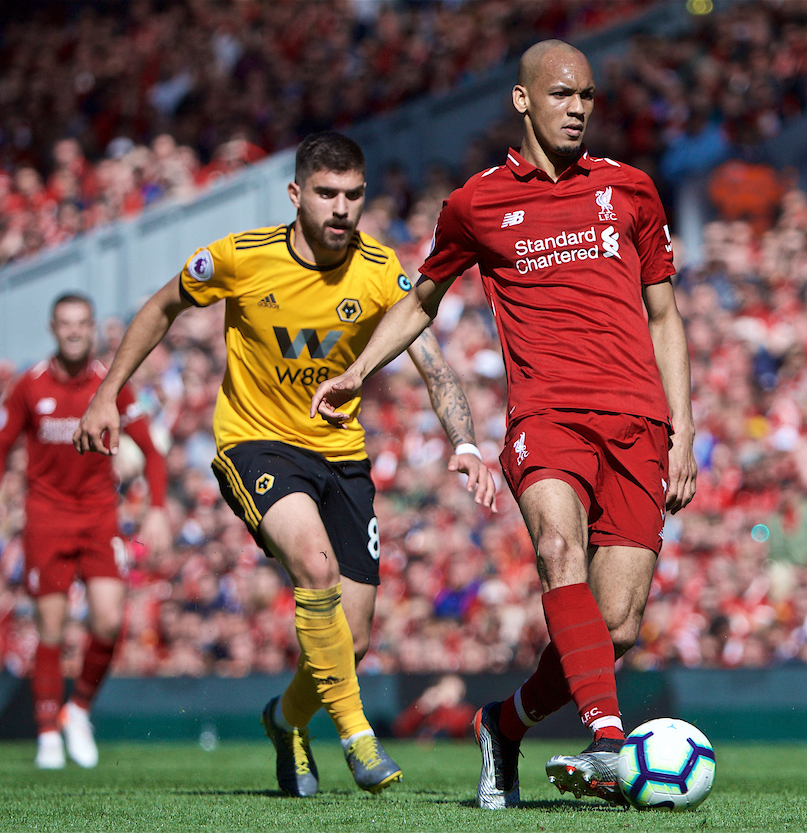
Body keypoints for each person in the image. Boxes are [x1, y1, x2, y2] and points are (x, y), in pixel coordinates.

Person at [310, 40, 697, 808]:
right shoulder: (476, 203)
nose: (578, 108)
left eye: (587, 95)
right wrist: (358, 369)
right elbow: (421, 300)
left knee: (615, 629)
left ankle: (503, 723)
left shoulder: (632, 191)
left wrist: (682, 427)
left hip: (638, 423)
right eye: (561, 94)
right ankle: (610, 743)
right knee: (560, 548)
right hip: (546, 416)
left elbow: (665, 314)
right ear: (523, 101)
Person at [74, 131, 496, 797]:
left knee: (351, 644)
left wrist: (466, 444)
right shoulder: (240, 258)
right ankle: (358, 735)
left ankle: (285, 718)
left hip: (343, 457)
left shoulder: (383, 270)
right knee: (315, 565)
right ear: (297, 195)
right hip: (257, 442)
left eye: (354, 195)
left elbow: (434, 364)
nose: (341, 208)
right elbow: (160, 308)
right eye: (327, 194)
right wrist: (106, 394)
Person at [0, 292, 169, 769]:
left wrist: (159, 509)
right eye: (66, 323)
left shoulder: (112, 383)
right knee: (52, 628)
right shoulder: (29, 385)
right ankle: (46, 736)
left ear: (92, 326)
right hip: (46, 517)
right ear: (53, 328)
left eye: (83, 322)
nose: (75, 331)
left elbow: (155, 452)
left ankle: (77, 709)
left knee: (107, 619)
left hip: (99, 514)